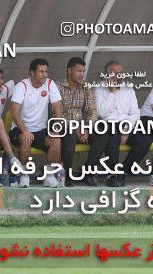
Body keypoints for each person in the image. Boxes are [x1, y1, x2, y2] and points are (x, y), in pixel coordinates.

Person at [10, 58, 63, 188]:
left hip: (40, 129)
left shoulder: (50, 84)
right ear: (32, 73)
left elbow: (58, 107)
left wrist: (55, 129)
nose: (44, 75)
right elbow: (14, 111)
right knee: (26, 139)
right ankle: (24, 175)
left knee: (56, 141)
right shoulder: (21, 86)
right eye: (41, 72)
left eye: (46, 71)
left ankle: (49, 177)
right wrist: (25, 130)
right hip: (19, 128)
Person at [93, 60, 140, 186]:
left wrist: (126, 129)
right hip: (109, 125)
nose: (119, 77)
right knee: (113, 134)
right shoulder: (100, 88)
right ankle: (112, 175)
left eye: (121, 73)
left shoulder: (128, 88)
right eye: (115, 74)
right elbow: (101, 113)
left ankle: (123, 172)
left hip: (126, 126)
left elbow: (136, 113)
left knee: (144, 140)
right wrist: (112, 92)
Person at [55, 57, 99, 186]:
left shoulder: (86, 87)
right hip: (63, 125)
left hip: (82, 127)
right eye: (79, 71)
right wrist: (74, 128)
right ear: (69, 71)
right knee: (69, 135)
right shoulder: (57, 87)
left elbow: (93, 111)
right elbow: (56, 113)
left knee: (102, 133)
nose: (82, 74)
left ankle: (88, 171)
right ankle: (67, 175)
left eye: (83, 71)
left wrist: (87, 127)